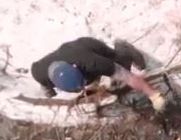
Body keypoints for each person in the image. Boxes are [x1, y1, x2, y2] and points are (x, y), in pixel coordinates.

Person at [29, 37, 166, 110]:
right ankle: (92, 82)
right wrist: (51, 98)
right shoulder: (38, 72)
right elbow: (47, 89)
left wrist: (154, 95)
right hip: (69, 53)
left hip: (90, 46)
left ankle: (122, 47)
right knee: (94, 83)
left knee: (121, 64)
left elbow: (128, 77)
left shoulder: (94, 63)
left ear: (76, 68)